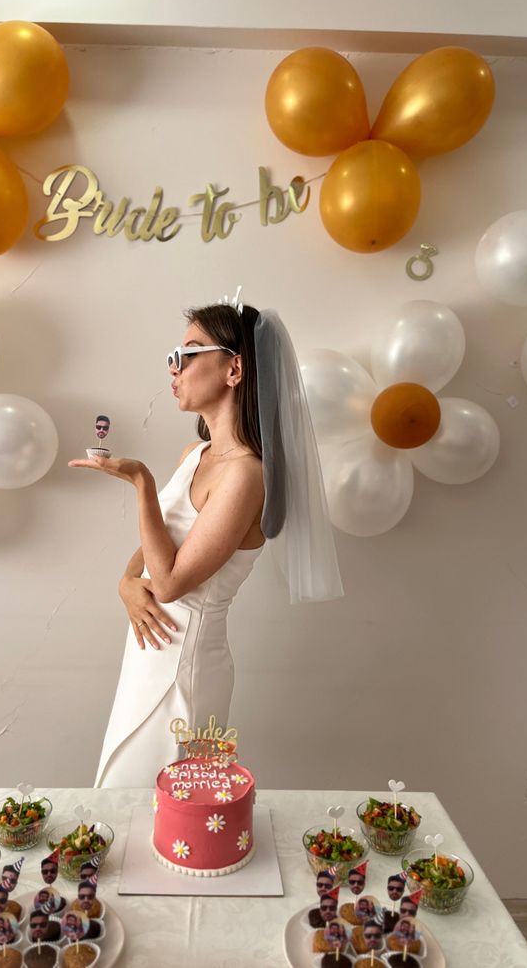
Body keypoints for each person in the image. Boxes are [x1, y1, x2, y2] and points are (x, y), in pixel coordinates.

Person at [70, 293, 343, 787]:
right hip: (148, 652)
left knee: (168, 811)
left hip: (185, 664)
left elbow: (170, 581)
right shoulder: (195, 454)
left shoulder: (246, 475)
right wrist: (127, 582)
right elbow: (157, 554)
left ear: (233, 369)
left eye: (186, 354)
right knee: (124, 798)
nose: (172, 369)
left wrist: (141, 483)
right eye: (172, 358)